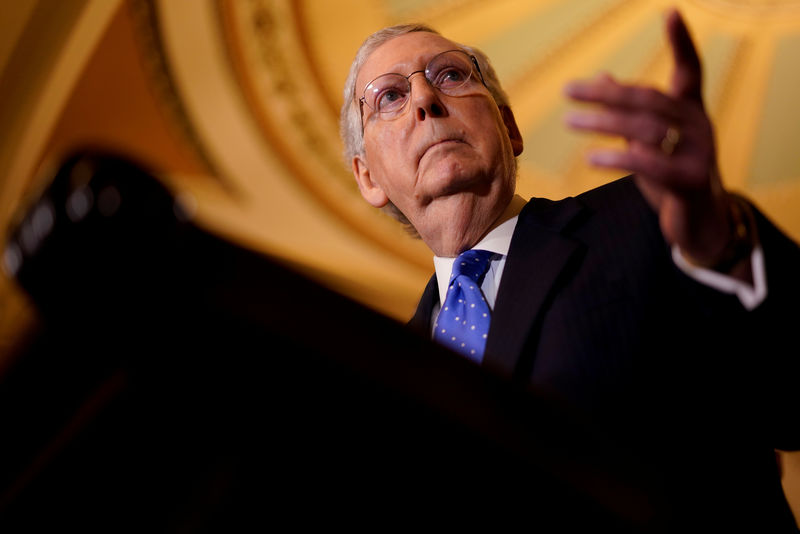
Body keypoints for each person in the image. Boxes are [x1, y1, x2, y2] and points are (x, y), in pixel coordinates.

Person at [340, 8, 800, 531]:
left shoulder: (649, 217)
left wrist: (722, 244)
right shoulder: (385, 371)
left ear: (508, 128)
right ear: (367, 177)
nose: (425, 99)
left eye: (451, 74)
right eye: (390, 96)